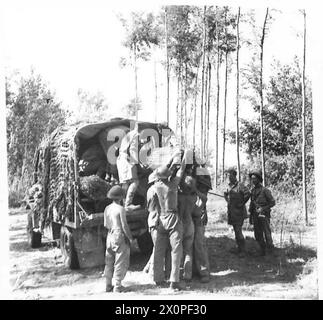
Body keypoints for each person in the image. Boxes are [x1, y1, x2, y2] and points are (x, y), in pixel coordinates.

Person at [153, 149, 188, 291]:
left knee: (159, 250)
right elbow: (182, 169)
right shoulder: (173, 185)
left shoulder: (155, 186)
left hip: (161, 218)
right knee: (176, 249)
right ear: (168, 176)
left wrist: (170, 159)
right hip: (173, 217)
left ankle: (158, 278)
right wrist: (183, 156)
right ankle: (174, 280)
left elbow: (162, 172)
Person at [103, 185, 134, 293]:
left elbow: (106, 224)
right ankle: (118, 285)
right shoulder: (121, 209)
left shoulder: (107, 208)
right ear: (121, 197)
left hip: (110, 234)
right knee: (120, 260)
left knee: (109, 260)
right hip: (118, 234)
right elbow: (124, 225)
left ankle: (108, 284)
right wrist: (130, 238)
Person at [143, 170, 171, 278]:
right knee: (159, 248)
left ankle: (148, 268)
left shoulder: (150, 190)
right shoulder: (157, 190)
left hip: (152, 219)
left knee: (157, 247)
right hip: (156, 219)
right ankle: (153, 272)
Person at [224, 168, 251, 257]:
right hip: (232, 213)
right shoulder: (229, 186)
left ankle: (243, 251)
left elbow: (248, 194)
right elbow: (228, 198)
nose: (228, 177)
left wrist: (242, 203)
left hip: (239, 213)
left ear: (234, 175)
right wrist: (226, 198)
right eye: (227, 175)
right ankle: (239, 248)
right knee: (236, 231)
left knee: (238, 231)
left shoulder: (240, 185)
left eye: (229, 175)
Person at [249, 171, 276, 256]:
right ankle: (261, 250)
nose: (253, 180)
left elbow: (272, 202)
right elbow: (252, 204)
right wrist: (250, 216)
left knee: (266, 232)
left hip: (264, 214)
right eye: (252, 179)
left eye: (254, 179)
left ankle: (270, 251)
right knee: (257, 233)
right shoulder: (252, 191)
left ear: (259, 179)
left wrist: (263, 208)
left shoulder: (265, 190)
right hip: (255, 215)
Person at [192, 169, 212, 283]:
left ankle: (204, 272)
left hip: (198, 217)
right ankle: (194, 271)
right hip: (189, 217)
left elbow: (203, 201)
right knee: (190, 245)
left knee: (199, 245)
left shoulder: (201, 173)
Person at [116, 122, 140, 211]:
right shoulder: (135, 134)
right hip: (127, 159)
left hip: (121, 159)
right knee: (135, 182)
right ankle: (128, 204)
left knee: (125, 183)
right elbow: (133, 149)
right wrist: (136, 162)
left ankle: (123, 205)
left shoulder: (128, 135)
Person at [178, 174, 197, 281]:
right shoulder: (193, 198)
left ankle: (177, 273)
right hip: (190, 223)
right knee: (188, 251)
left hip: (180, 224)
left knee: (177, 250)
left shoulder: (179, 197)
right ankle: (187, 274)